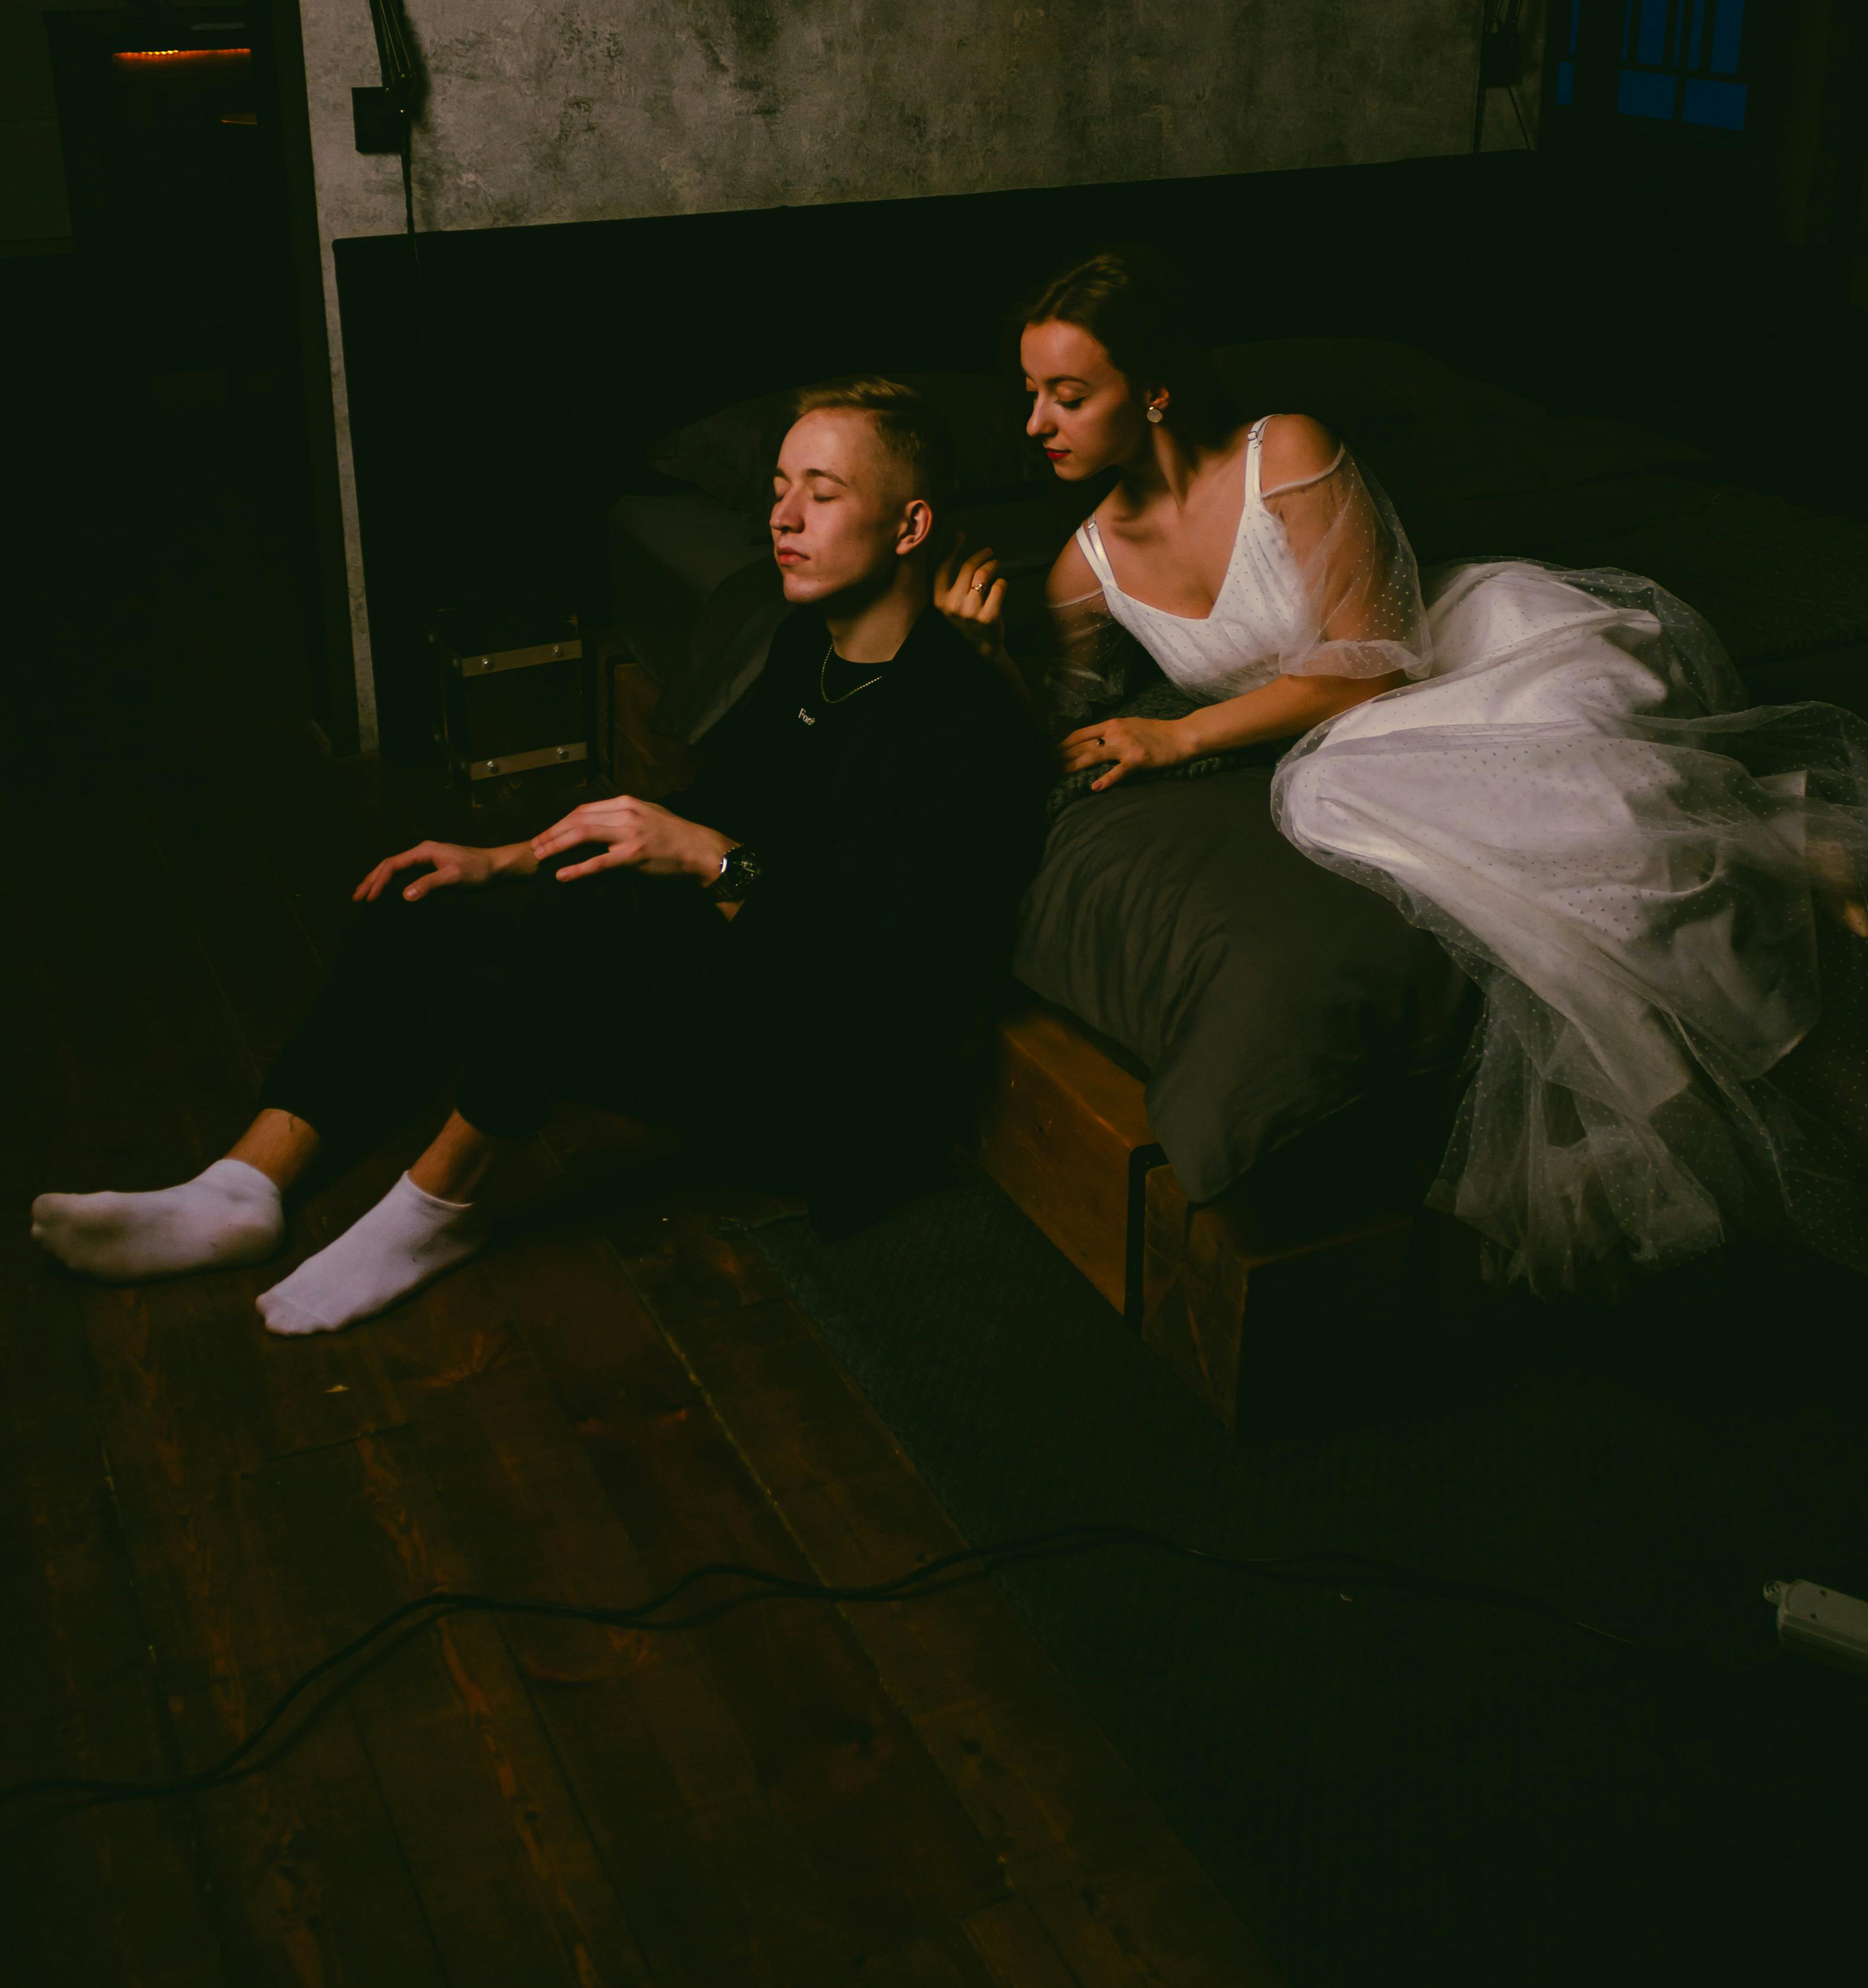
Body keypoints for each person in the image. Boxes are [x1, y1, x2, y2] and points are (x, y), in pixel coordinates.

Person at [938, 246, 1868, 1295]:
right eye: (1029, 395)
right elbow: (1056, 727)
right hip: (1355, 743)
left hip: (1474, 656)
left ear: (1151, 391)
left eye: (1067, 395)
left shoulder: (1283, 451)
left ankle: (1785, 887)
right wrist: (982, 661)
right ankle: (1785, 891)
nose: (1034, 426)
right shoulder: (1084, 564)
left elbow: (1372, 659)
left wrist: (1184, 736)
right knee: (1398, 807)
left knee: (1572, 809)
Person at [32, 379, 1049, 1330]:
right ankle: (244, 1187)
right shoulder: (808, 650)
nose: (780, 518)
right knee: (428, 895)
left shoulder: (965, 724)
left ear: (910, 524)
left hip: (840, 1089)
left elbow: (879, 973)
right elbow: (714, 806)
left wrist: (710, 862)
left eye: (819, 495)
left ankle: (434, 1208)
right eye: (778, 489)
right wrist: (505, 858)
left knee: (602, 912)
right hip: (763, 980)